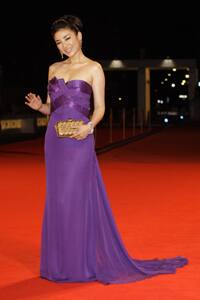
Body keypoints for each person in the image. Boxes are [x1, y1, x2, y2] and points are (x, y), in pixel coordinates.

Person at [25, 15, 188, 285]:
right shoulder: (53, 68)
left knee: (75, 199)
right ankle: (58, 263)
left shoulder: (94, 69)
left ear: (79, 36)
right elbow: (52, 108)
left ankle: (79, 264)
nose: (64, 45)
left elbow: (99, 108)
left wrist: (89, 127)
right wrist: (40, 107)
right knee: (58, 200)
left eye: (68, 38)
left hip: (80, 139)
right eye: (58, 42)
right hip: (54, 141)